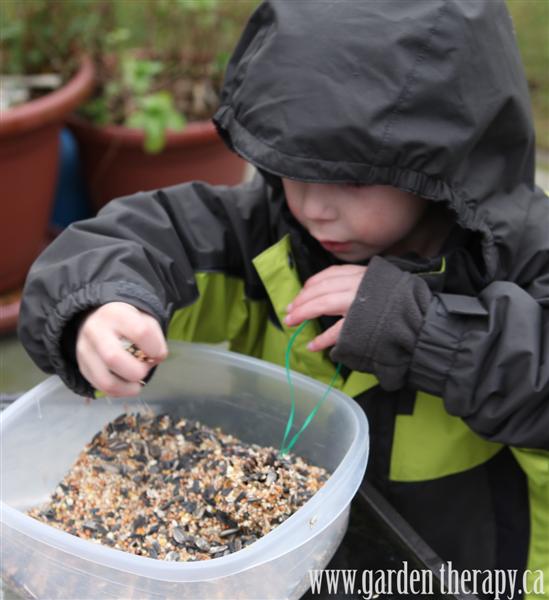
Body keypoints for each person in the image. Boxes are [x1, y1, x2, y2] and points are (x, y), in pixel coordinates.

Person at [18, 0, 548, 592]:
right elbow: (126, 242)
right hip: (276, 565)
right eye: (294, 169)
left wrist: (427, 333)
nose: (315, 207)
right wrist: (97, 306)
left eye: (351, 178)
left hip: (459, 565)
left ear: (447, 162)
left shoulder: (522, 255)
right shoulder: (262, 233)